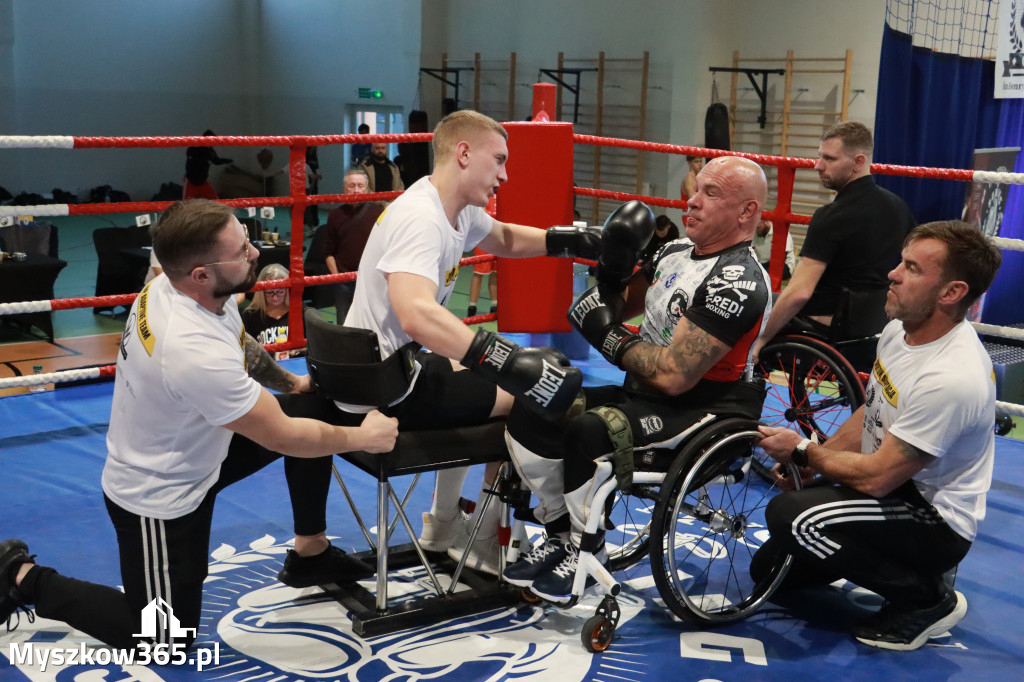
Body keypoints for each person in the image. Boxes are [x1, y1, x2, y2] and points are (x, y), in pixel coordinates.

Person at [0, 199, 398, 651]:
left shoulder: (183, 289)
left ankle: (311, 551)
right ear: (201, 274)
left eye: (246, 240)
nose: (253, 253)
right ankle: (22, 577)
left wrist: (293, 381)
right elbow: (282, 436)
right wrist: (364, 437)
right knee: (163, 638)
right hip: (158, 494)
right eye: (241, 250)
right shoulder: (190, 349)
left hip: (204, 450)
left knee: (310, 407)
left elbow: (240, 342)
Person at [503, 156, 773, 603]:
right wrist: (611, 264)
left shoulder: (737, 280)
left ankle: (591, 552)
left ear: (746, 212)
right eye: (696, 188)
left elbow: (673, 375)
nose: (693, 200)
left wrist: (608, 338)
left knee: (593, 430)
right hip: (641, 395)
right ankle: (560, 535)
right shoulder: (674, 253)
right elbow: (613, 305)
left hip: (704, 409)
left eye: (711, 193)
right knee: (536, 401)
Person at [340, 109, 591, 575]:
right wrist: (502, 357)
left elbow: (505, 239)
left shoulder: (448, 207)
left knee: (527, 368)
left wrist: (568, 241)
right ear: (463, 154)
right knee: (532, 390)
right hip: (387, 387)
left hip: (387, 369)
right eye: (498, 160)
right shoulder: (423, 220)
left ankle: (445, 523)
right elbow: (416, 313)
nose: (504, 174)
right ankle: (490, 533)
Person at [755, 220, 1001, 651]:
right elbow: (871, 410)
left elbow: (877, 478)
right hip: (894, 491)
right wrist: (820, 459)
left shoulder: (953, 375)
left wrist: (803, 451)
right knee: (769, 568)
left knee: (795, 517)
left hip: (932, 519)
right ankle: (889, 565)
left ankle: (927, 599)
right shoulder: (899, 330)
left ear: (951, 293)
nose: (893, 274)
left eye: (912, 268)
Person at [753, 122, 916, 356]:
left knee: (751, 301)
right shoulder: (899, 208)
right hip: (875, 326)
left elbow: (799, 292)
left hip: (828, 327)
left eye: (830, 159)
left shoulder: (830, 216)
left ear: (858, 162)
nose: (818, 166)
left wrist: (761, 339)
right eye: (820, 157)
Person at [323, 169, 383, 321]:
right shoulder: (335, 215)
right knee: (344, 325)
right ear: (344, 188)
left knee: (372, 324)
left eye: (360, 185)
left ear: (367, 188)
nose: (356, 190)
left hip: (371, 280)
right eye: (352, 186)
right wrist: (337, 277)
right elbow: (328, 251)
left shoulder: (378, 213)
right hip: (344, 282)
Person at [242, 263, 295, 359]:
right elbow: (243, 349)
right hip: (263, 369)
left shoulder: (299, 311)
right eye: (270, 293)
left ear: (287, 290)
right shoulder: (250, 316)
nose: (275, 298)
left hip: (296, 366)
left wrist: (298, 349)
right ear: (261, 292)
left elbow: (313, 345)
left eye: (280, 292)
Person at [183, 130, 233, 200]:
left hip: (203, 182)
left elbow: (216, 161)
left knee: (215, 200)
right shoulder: (194, 148)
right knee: (186, 205)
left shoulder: (210, 152)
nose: (212, 144)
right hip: (191, 182)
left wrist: (226, 160)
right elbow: (189, 153)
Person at [466, 246, 497, 317]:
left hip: (498, 242)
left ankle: (494, 305)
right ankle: (472, 307)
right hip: (483, 241)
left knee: (495, 272)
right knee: (478, 273)